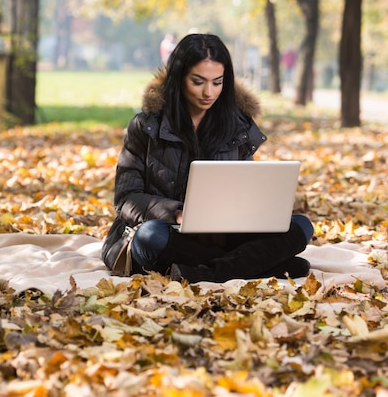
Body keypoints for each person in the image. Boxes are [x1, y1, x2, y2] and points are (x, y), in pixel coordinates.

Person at [102, 33, 313, 283]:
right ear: (179, 78)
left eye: (217, 82)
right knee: (150, 237)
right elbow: (126, 198)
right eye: (198, 81)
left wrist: (249, 214)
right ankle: (254, 264)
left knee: (301, 226)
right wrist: (177, 213)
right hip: (168, 232)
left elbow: (247, 189)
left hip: (222, 234)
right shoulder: (147, 126)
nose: (208, 92)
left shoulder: (237, 127)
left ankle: (203, 273)